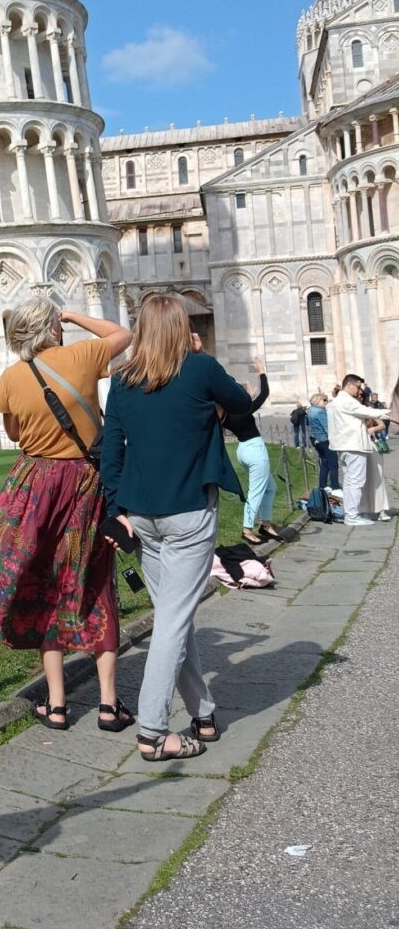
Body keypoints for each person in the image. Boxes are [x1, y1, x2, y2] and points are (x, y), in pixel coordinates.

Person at [100, 294, 255, 762]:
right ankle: (152, 731)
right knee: (172, 620)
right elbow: (243, 401)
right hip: (187, 512)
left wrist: (115, 507)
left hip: (140, 516)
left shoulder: (123, 381)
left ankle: (203, 712)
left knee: (176, 617)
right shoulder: (201, 369)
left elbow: (112, 451)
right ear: (181, 327)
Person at [0, 297, 133, 733]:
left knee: (46, 586)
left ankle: (57, 705)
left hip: (35, 485)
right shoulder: (81, 355)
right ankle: (109, 705)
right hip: (85, 484)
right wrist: (74, 316)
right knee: (95, 583)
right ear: (52, 326)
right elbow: (123, 335)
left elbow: (16, 434)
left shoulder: (11, 377)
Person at [222, 360, 280, 545]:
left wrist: (248, 394)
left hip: (242, 449)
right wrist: (262, 371)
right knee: (256, 491)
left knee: (270, 488)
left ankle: (265, 524)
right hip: (255, 449)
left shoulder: (224, 413)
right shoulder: (243, 409)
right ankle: (247, 529)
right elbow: (265, 394)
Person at [327, 373, 390, 526]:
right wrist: (388, 412)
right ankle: (352, 516)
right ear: (349, 385)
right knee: (356, 481)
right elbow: (366, 411)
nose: (359, 390)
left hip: (344, 446)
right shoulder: (345, 400)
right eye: (357, 386)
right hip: (353, 445)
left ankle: (351, 513)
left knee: (350, 482)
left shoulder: (336, 402)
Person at [307, 390, 339, 492]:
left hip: (315, 439)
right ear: (318, 401)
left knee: (324, 462)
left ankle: (323, 484)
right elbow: (327, 427)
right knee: (333, 463)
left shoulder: (310, 410)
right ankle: (335, 486)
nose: (326, 402)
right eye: (324, 400)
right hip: (324, 439)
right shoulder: (320, 411)